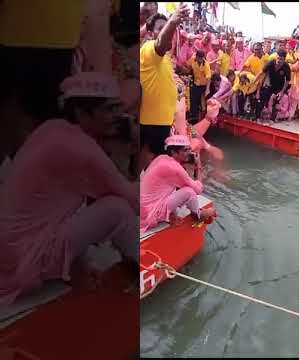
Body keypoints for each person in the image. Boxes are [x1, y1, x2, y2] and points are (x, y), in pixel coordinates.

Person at [0, 72, 139, 306]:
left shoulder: (52, 128)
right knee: (119, 209)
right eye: (108, 110)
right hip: (25, 258)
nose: (117, 116)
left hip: (11, 251)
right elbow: (132, 199)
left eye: (117, 108)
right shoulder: (80, 148)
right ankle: (143, 269)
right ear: (81, 113)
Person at [139, 5, 190, 172]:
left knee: (153, 169)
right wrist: (173, 22)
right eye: (160, 28)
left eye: (166, 27)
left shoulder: (166, 59)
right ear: (150, 33)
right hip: (150, 125)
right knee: (147, 166)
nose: (166, 31)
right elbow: (161, 43)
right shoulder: (149, 48)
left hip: (161, 123)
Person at [140, 134, 216, 233]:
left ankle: (170, 214)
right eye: (185, 150)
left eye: (189, 149)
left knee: (181, 188)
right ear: (173, 152)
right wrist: (198, 165)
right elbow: (198, 189)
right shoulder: (174, 168)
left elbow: (179, 184)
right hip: (150, 214)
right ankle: (198, 215)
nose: (190, 153)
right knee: (189, 192)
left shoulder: (162, 158)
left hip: (144, 209)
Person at [254, 49, 291, 121]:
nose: (279, 61)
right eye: (278, 58)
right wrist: (255, 85)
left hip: (279, 88)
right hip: (269, 85)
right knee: (262, 96)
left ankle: (272, 118)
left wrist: (282, 92)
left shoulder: (286, 67)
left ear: (284, 60)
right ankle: (257, 117)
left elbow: (287, 81)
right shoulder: (270, 63)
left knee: (276, 101)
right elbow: (261, 74)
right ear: (276, 57)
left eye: (281, 59)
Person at [187, 49, 212, 123]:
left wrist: (207, 89)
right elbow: (188, 65)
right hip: (195, 83)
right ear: (197, 57)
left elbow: (208, 78)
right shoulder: (192, 60)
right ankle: (193, 116)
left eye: (202, 58)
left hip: (203, 85)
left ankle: (202, 118)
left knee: (202, 102)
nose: (201, 60)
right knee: (193, 100)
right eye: (200, 58)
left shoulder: (206, 65)